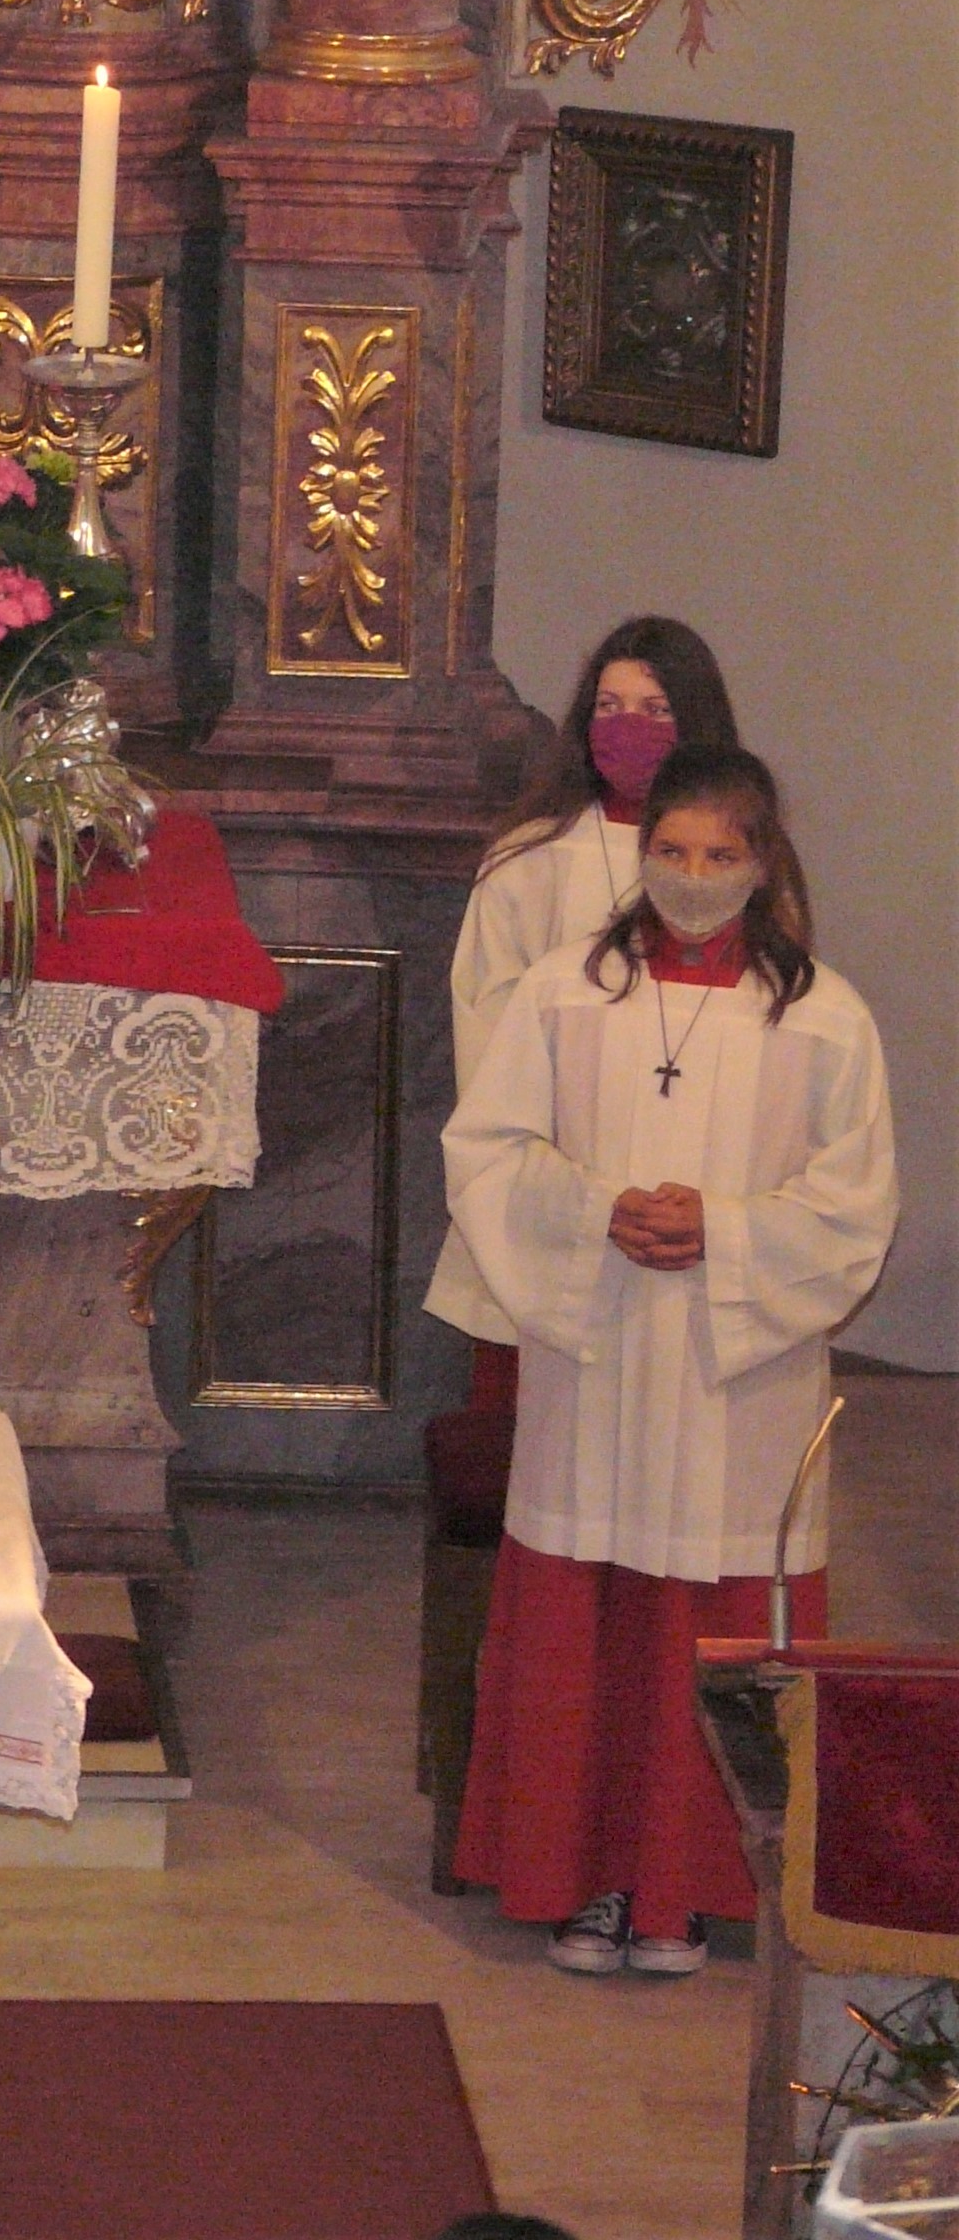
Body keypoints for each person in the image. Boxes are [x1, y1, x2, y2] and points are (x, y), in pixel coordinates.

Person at [445, 747, 896, 1976]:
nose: (693, 877)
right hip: (597, 1353)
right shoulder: (560, 995)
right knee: (584, 1617)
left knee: (704, 1619)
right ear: (643, 858)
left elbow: (855, 1206)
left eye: (721, 856)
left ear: (764, 866)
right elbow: (486, 1150)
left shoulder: (823, 1018)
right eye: (673, 853)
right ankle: (581, 1879)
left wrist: (727, 1231)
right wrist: (598, 1209)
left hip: (728, 1376)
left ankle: (684, 1890)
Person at [425, 617, 743, 1372]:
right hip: (560, 1175)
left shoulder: (740, 863)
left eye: (655, 710)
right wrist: (574, 1185)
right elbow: (487, 1033)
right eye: (608, 707)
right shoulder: (527, 861)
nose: (627, 728)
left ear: (696, 724)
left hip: (698, 1178)